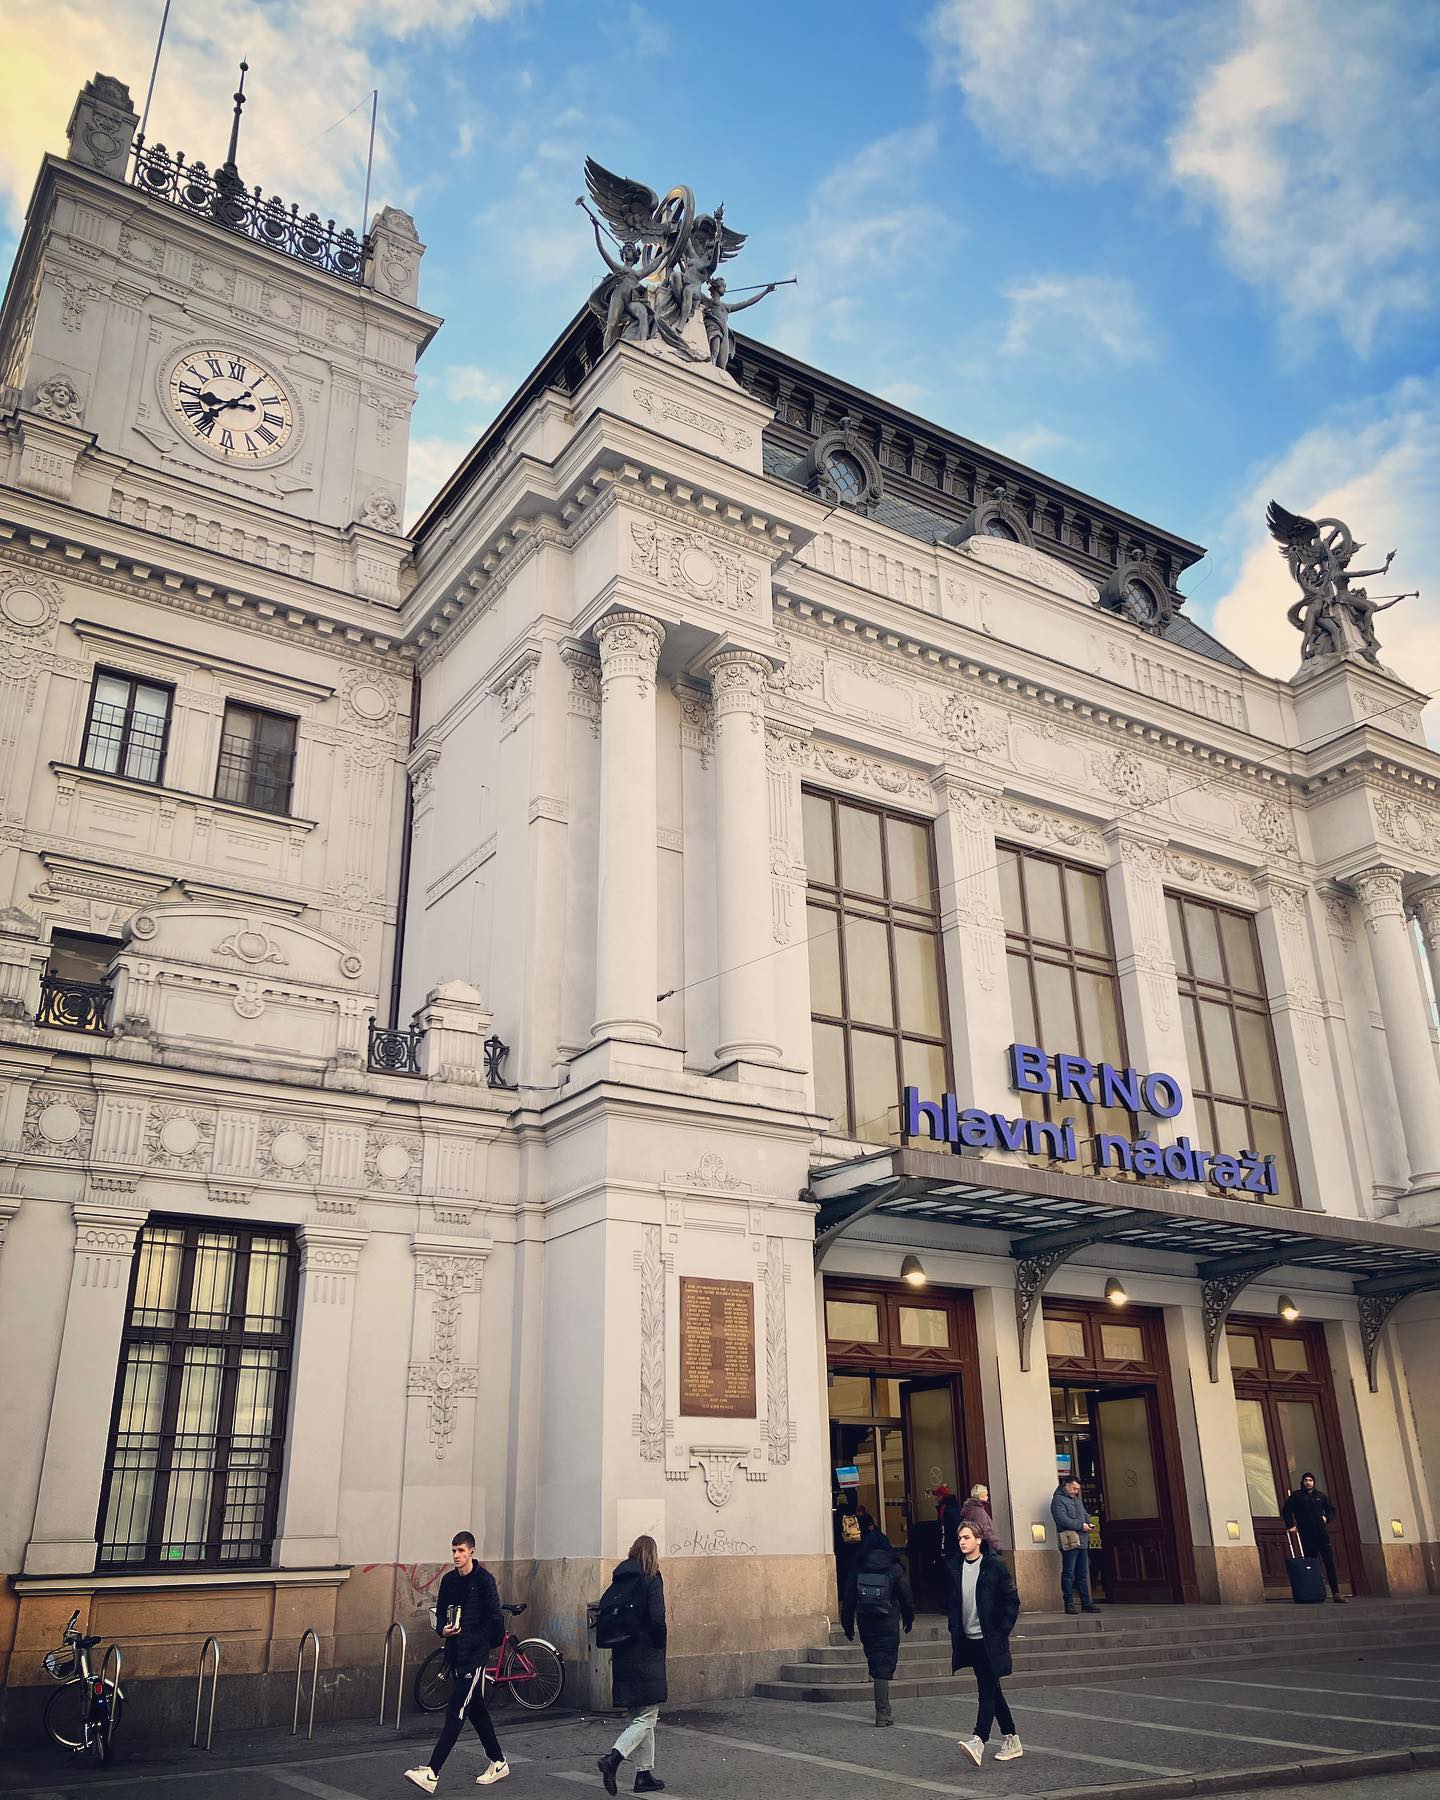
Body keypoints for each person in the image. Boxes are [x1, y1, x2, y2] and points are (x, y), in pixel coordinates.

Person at [405, 1531, 508, 1792]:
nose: (456, 1556)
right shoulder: (449, 1581)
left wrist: (476, 1639)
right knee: (476, 1709)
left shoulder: (484, 1580)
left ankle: (432, 1771)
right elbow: (440, 1613)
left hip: (474, 1656)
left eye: (461, 1551)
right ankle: (498, 1761)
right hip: (455, 1654)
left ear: (472, 1551)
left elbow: (496, 1623)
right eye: (453, 1551)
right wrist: (443, 1630)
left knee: (457, 1709)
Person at [596, 1535, 668, 1795]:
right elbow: (658, 1619)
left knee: (639, 1717)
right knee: (647, 1717)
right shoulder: (651, 1579)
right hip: (646, 1654)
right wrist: (659, 1643)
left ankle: (644, 1774)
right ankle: (613, 1758)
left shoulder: (621, 1579)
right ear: (652, 1554)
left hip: (624, 1654)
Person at [948, 1521, 1022, 1765]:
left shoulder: (993, 1567)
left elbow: (1011, 1600)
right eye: (960, 1538)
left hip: (990, 1640)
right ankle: (1012, 1738)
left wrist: (1001, 1630)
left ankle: (978, 1740)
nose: (962, 1542)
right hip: (970, 1640)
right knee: (993, 1689)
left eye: (967, 1537)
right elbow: (955, 1603)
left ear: (978, 1540)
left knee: (987, 1689)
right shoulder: (956, 1567)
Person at [841, 1523, 915, 1726]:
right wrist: (909, 1618)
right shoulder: (894, 1567)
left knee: (876, 1661)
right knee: (884, 1666)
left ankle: (884, 1708)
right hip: (888, 1621)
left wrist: (847, 1625)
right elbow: (906, 1596)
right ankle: (882, 1712)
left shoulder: (858, 1567)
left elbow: (848, 1600)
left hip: (866, 1621)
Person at [1283, 1471, 1346, 1602]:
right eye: (1306, 1480)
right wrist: (1290, 1525)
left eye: (1310, 1480)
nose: (1308, 1482)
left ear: (1314, 1482)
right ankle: (1314, 1591)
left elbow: (1331, 1510)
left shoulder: (1321, 1496)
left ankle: (1336, 1593)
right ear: (1302, 1482)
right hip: (1306, 1535)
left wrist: (1326, 1518)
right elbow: (1286, 1510)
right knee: (1311, 1564)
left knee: (1329, 1562)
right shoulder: (1297, 1496)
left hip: (1322, 1535)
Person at [1051, 1476, 1098, 1615]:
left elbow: (1084, 1514)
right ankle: (1069, 1603)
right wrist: (1080, 1525)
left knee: (1082, 1573)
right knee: (1068, 1572)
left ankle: (1086, 1603)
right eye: (1073, 1488)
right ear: (1066, 1485)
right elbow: (1061, 1519)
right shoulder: (1058, 1500)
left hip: (1082, 1540)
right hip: (1069, 1540)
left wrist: (1089, 1523)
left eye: (1077, 1489)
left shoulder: (1077, 1500)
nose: (1075, 1491)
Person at [959, 1484, 1000, 1551]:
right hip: (983, 1547)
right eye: (986, 1495)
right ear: (981, 1496)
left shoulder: (972, 1509)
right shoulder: (978, 1511)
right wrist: (996, 1546)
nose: (987, 1497)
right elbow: (985, 1530)